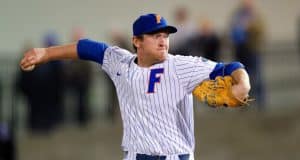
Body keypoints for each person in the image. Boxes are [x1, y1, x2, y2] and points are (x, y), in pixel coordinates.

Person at [20, 13, 251, 160]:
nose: (163, 40)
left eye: (165, 35)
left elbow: (229, 67)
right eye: (155, 35)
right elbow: (88, 48)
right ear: (136, 41)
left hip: (175, 156)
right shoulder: (120, 62)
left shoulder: (181, 65)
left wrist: (243, 83)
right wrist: (45, 53)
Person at [229, 0, 265, 110]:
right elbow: (232, 30)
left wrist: (248, 27)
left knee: (257, 76)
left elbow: (260, 31)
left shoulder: (256, 15)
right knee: (241, 78)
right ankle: (243, 103)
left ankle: (260, 103)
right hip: (240, 51)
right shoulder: (237, 15)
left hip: (252, 50)